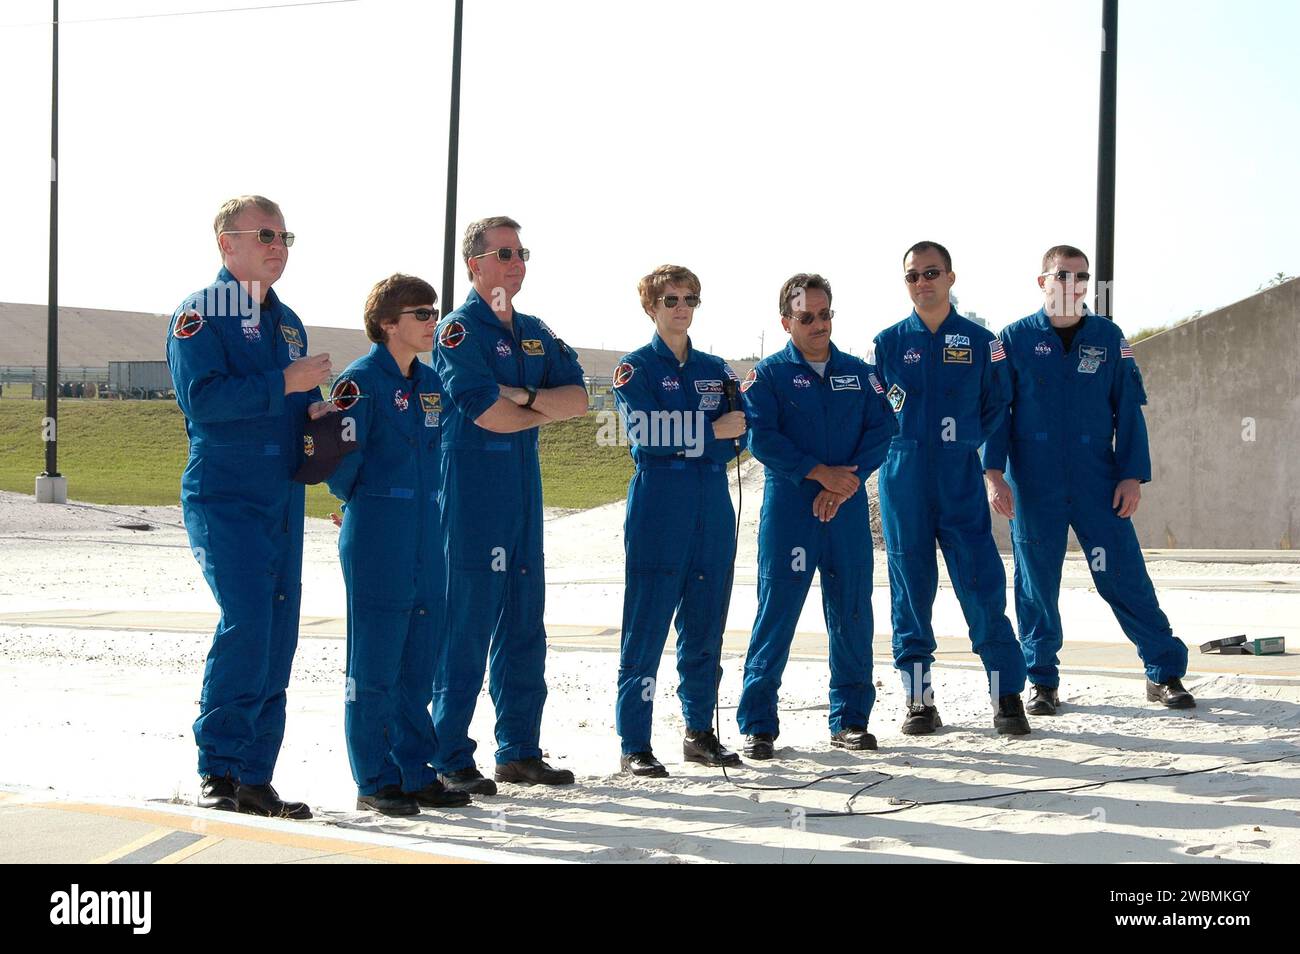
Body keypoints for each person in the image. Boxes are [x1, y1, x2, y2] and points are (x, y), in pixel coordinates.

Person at [167, 195, 331, 817]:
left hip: (282, 494)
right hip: (226, 492)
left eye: (284, 235)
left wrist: (316, 413)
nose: (277, 245)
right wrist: (283, 384)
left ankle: (257, 774)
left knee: (279, 629)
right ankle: (220, 769)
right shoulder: (199, 315)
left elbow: (293, 406)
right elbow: (201, 400)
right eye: (264, 234)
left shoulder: (287, 323)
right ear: (225, 244)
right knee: (248, 620)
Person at [983, 246, 1194, 712]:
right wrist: (993, 474)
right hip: (1035, 486)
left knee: (1124, 575)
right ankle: (1042, 680)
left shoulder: (1108, 336)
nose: (1072, 284)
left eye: (1081, 277)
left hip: (1098, 482)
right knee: (1036, 585)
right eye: (1062, 275)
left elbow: (1129, 412)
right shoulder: (1013, 339)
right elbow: (997, 414)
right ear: (1042, 281)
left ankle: (1164, 672)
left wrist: (1132, 475)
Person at [431, 216, 589, 794]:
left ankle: (519, 749)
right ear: (473, 264)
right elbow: (484, 414)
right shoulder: (458, 332)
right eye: (503, 253)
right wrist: (533, 408)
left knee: (525, 623)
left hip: (524, 491)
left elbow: (578, 400)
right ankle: (447, 752)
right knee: (467, 625)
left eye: (522, 252)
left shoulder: (534, 331)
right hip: (473, 491)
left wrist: (521, 394)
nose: (516, 262)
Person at [320, 274, 475, 816]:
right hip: (379, 523)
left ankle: (415, 768)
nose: (433, 321)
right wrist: (367, 501)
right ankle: (375, 776)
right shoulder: (359, 382)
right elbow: (341, 463)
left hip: (425, 525)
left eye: (434, 312)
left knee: (420, 652)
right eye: (421, 313)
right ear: (388, 323)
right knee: (376, 657)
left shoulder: (431, 383)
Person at [872, 241, 1030, 736]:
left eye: (931, 272)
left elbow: (997, 409)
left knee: (982, 584)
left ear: (951, 278)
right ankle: (919, 701)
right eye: (913, 275)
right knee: (910, 590)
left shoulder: (984, 343)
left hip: (959, 474)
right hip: (904, 477)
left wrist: (982, 460)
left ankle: (1007, 695)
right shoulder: (887, 344)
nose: (923, 282)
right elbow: (874, 414)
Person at [736, 274, 898, 758]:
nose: (818, 325)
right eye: (807, 317)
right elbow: (760, 438)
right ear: (786, 321)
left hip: (844, 511)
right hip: (792, 512)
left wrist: (844, 483)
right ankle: (759, 723)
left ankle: (850, 719)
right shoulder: (768, 376)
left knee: (852, 612)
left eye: (825, 315)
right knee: (777, 613)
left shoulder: (860, 373)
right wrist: (818, 474)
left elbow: (883, 428)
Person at [610, 265, 748, 777]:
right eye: (670, 300)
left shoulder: (717, 368)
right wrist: (709, 432)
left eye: (690, 298)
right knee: (647, 623)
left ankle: (699, 730)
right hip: (659, 500)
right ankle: (635, 742)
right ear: (651, 306)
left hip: (711, 499)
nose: (681, 307)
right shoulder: (635, 369)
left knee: (706, 619)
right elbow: (645, 431)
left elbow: (742, 433)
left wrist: (709, 437)